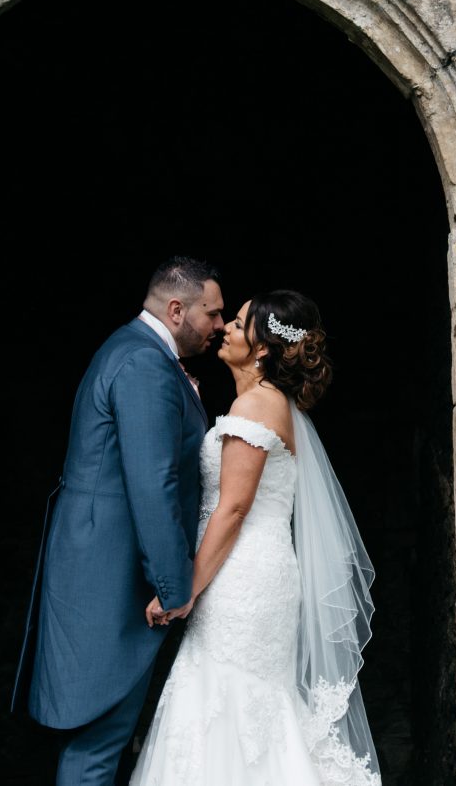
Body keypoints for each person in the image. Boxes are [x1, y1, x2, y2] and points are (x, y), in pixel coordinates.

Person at [129, 290, 382, 786]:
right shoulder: (272, 404)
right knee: (245, 701)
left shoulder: (253, 406)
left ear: (262, 347)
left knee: (228, 696)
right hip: (256, 572)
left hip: (242, 580)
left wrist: (185, 591)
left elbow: (234, 509)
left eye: (239, 323)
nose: (225, 327)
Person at [14, 257, 227, 786]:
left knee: (103, 739)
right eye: (212, 313)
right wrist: (174, 586)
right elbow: (153, 484)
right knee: (98, 742)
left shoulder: (133, 350)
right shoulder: (144, 364)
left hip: (102, 567)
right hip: (110, 578)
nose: (220, 325)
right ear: (176, 310)